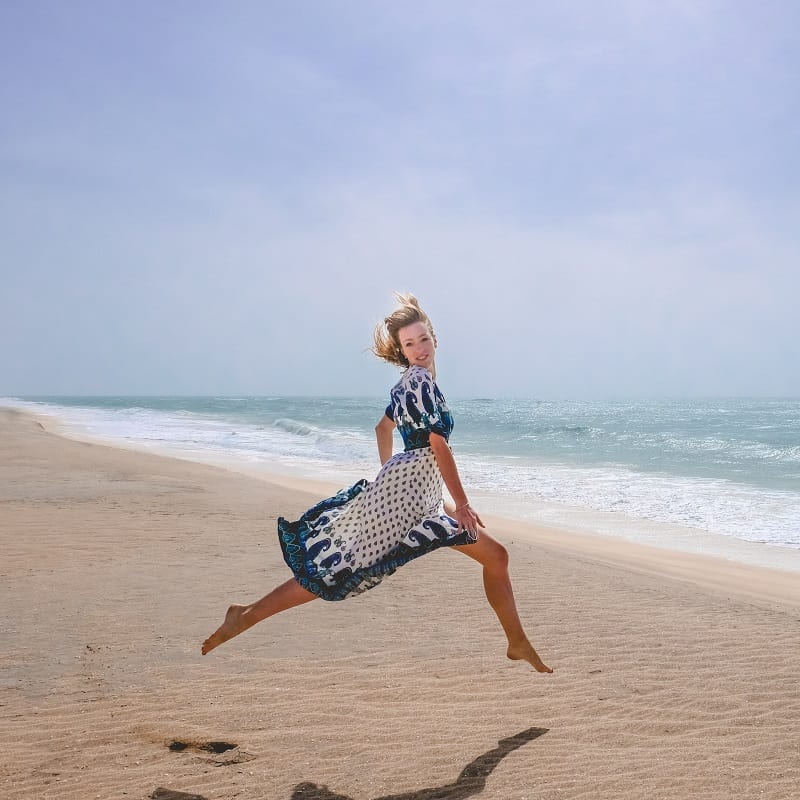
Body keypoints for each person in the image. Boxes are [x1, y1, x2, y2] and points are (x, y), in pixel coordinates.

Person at [201, 294, 552, 673]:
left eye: (423, 339)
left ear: (435, 338)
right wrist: (460, 503)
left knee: (495, 556)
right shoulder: (422, 385)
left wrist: (392, 473)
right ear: (401, 350)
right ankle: (245, 616)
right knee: (342, 568)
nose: (418, 349)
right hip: (408, 500)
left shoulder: (408, 385)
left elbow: (383, 428)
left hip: (417, 495)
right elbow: (438, 446)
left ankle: (516, 641)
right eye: (409, 344)